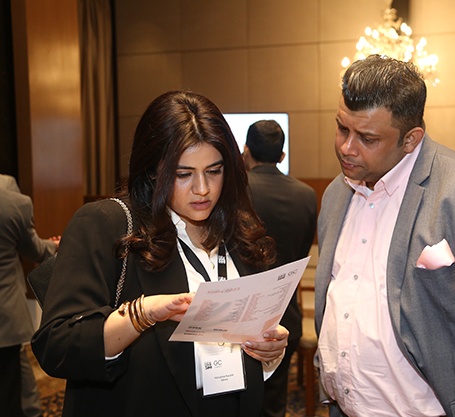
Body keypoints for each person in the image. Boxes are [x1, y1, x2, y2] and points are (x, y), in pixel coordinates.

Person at [31, 91, 289, 417]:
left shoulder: (238, 231)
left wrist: (268, 350)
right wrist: (143, 314)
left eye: (214, 171)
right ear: (153, 169)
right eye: (183, 174)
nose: (202, 189)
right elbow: (57, 346)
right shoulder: (108, 224)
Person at [314, 54, 455, 417]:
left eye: (367, 138)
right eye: (342, 128)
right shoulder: (336, 194)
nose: (347, 147)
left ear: (411, 139)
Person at [242, 120, 317, 417]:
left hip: (243, 315)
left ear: (245, 152)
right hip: (287, 315)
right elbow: (302, 252)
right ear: (282, 156)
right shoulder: (306, 194)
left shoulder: (237, 191)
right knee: (275, 402)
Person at [0, 175, 59, 416]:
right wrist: (55, 246)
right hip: (5, 317)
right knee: (10, 391)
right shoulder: (14, 205)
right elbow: (33, 250)